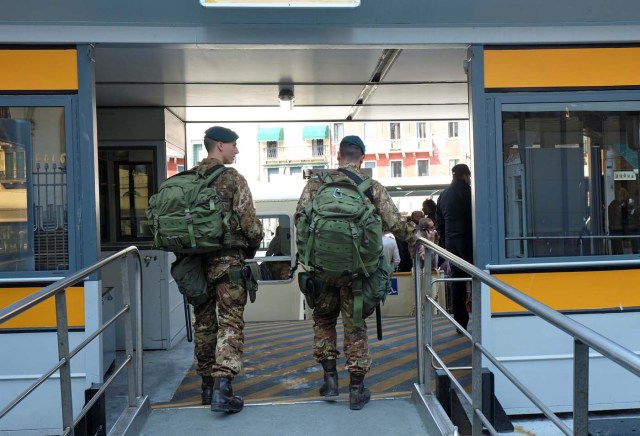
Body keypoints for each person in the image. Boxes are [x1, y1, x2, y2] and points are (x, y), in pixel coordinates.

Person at [295, 135, 414, 410]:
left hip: (323, 271)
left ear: (339, 156)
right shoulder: (372, 188)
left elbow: (300, 218)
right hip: (358, 274)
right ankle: (357, 389)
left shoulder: (316, 183)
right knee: (355, 327)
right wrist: (416, 235)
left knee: (324, 321)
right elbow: (397, 225)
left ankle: (330, 381)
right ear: (362, 158)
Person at [192, 126, 264, 413]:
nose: (237, 150)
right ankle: (223, 390)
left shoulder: (188, 178)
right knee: (230, 324)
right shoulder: (232, 178)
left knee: (205, 325)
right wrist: (250, 247)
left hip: (195, 265)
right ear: (219, 146)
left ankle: (207, 388)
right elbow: (249, 222)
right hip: (227, 264)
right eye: (234, 145)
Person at [436, 163, 473, 332]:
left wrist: (446, 241)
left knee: (457, 282)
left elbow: (439, 223)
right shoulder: (469, 193)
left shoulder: (443, 195)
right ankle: (481, 318)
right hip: (469, 241)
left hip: (452, 242)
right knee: (478, 279)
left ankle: (460, 323)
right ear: (465, 175)